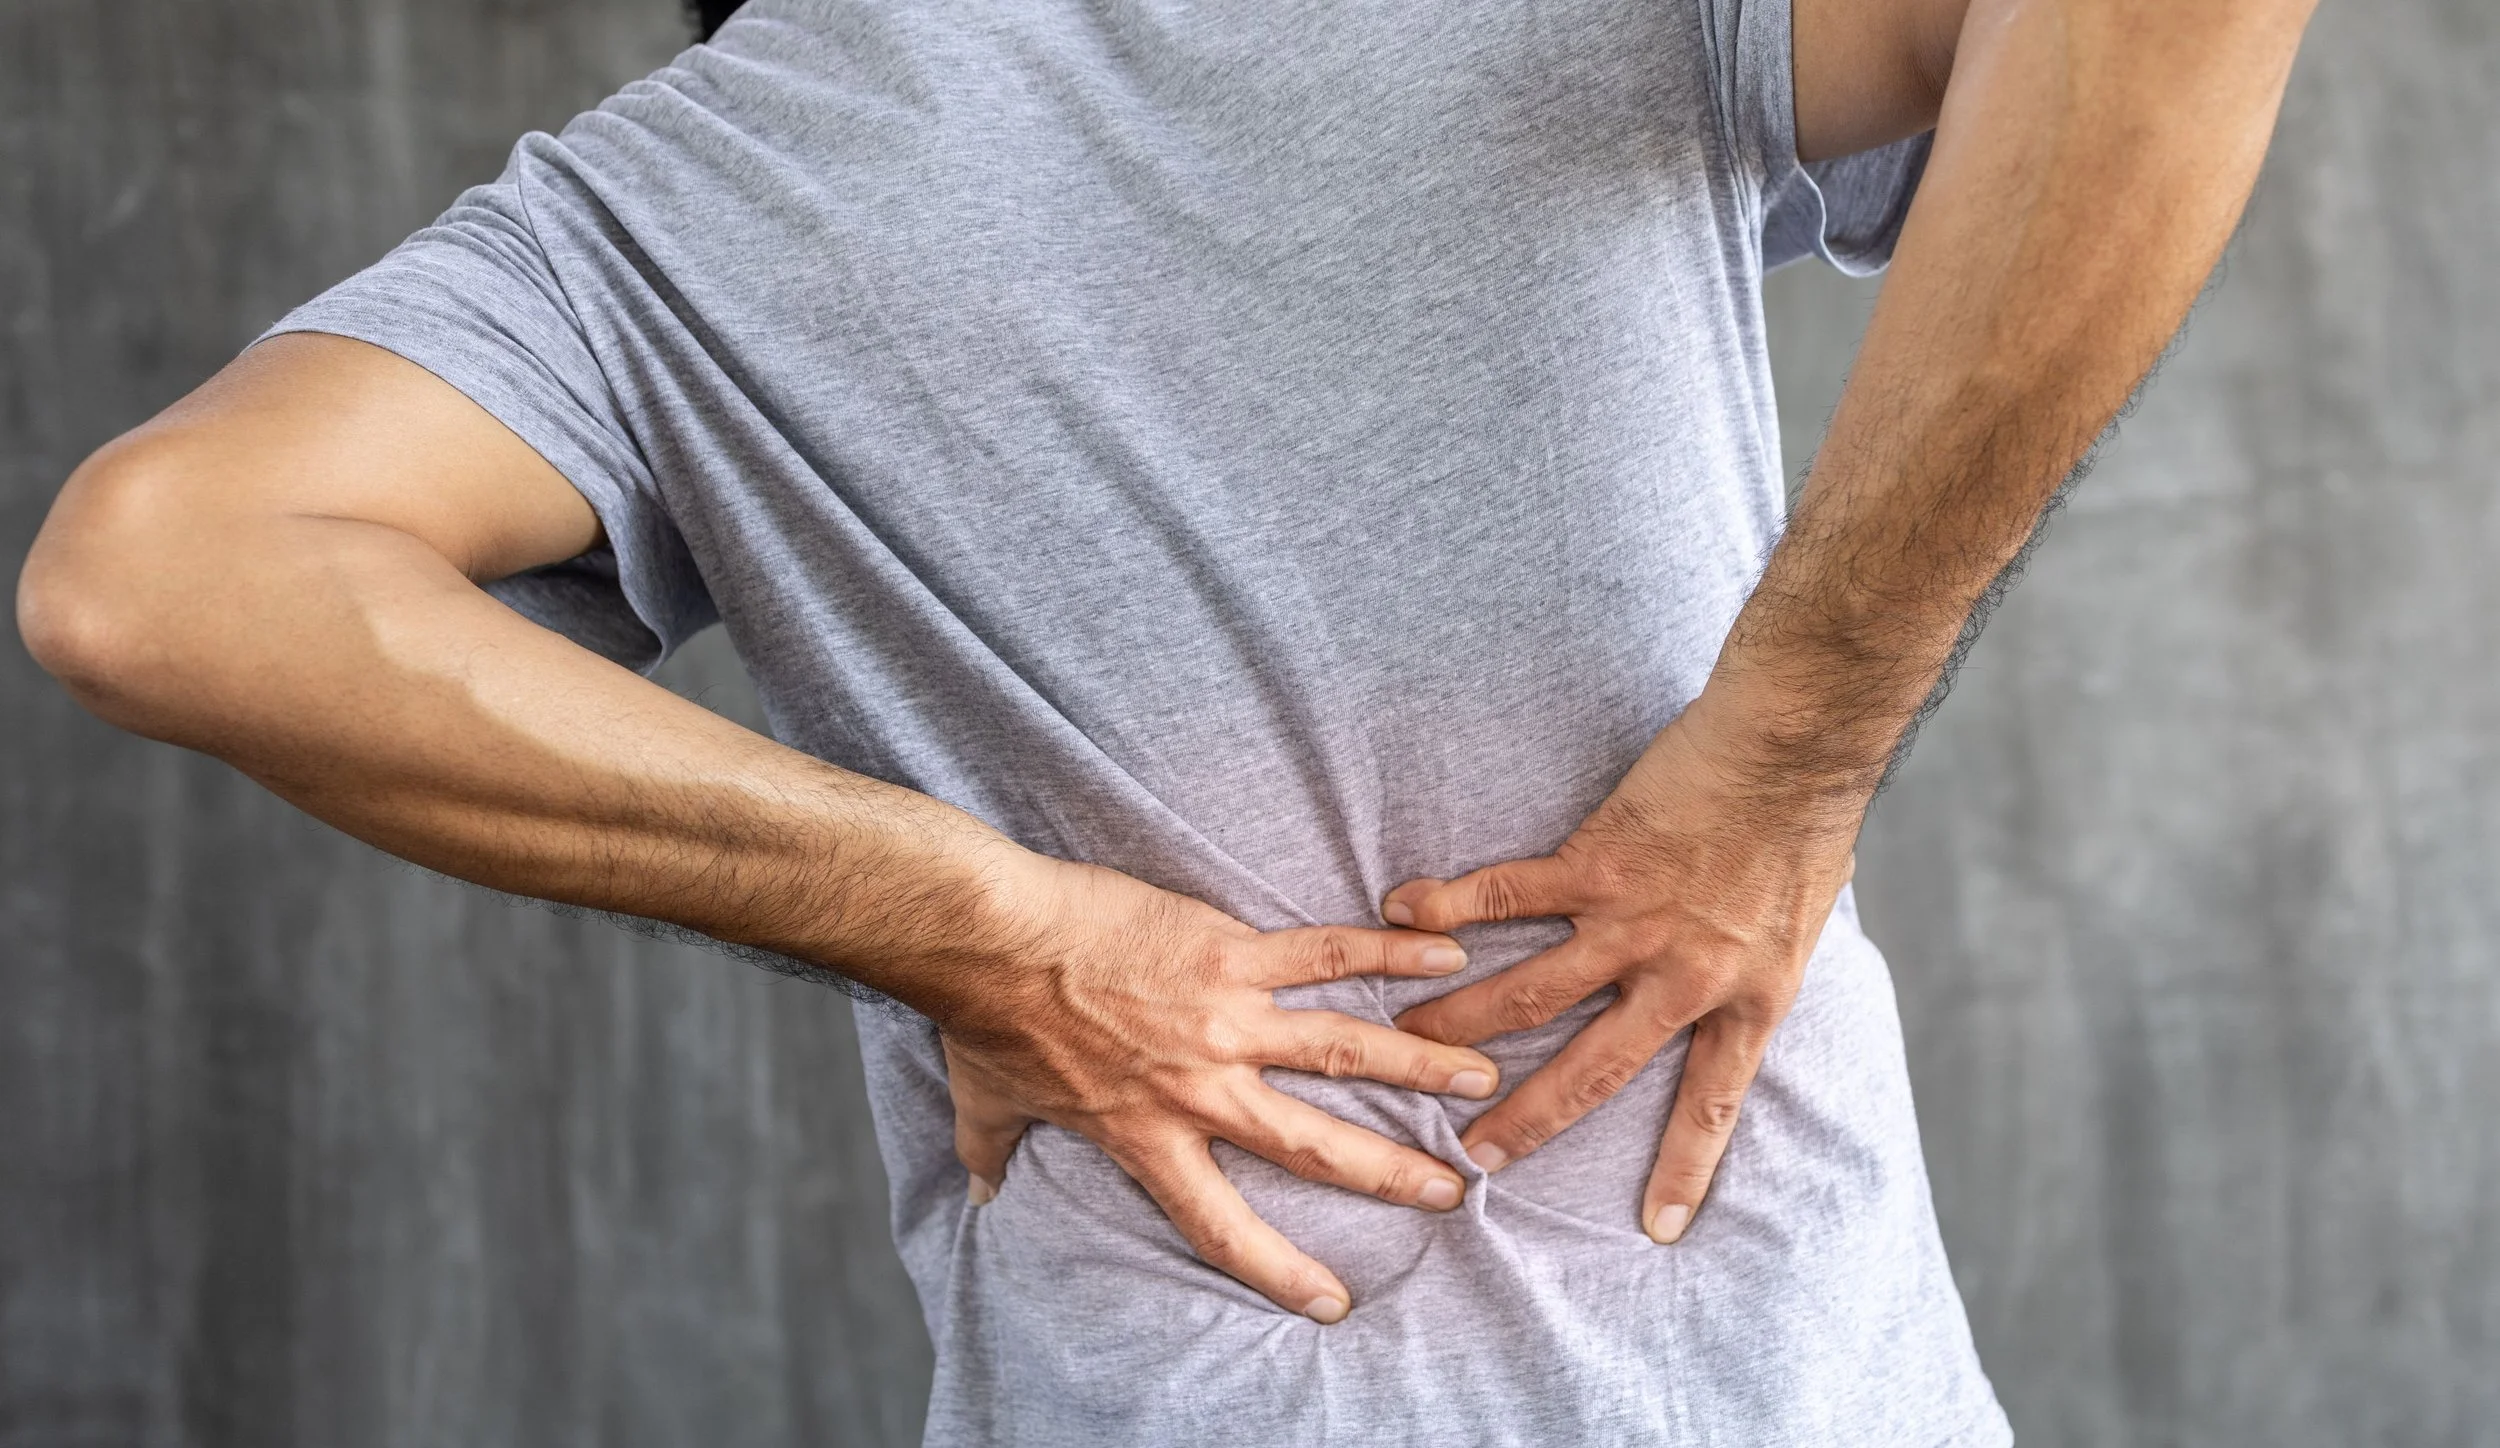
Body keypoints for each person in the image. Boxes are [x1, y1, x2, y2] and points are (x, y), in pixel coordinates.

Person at [16, 0, 2315, 1440]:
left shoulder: (647, 218)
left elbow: (158, 567)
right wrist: (1789, 750)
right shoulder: (661, 221)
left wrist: (988, 931)